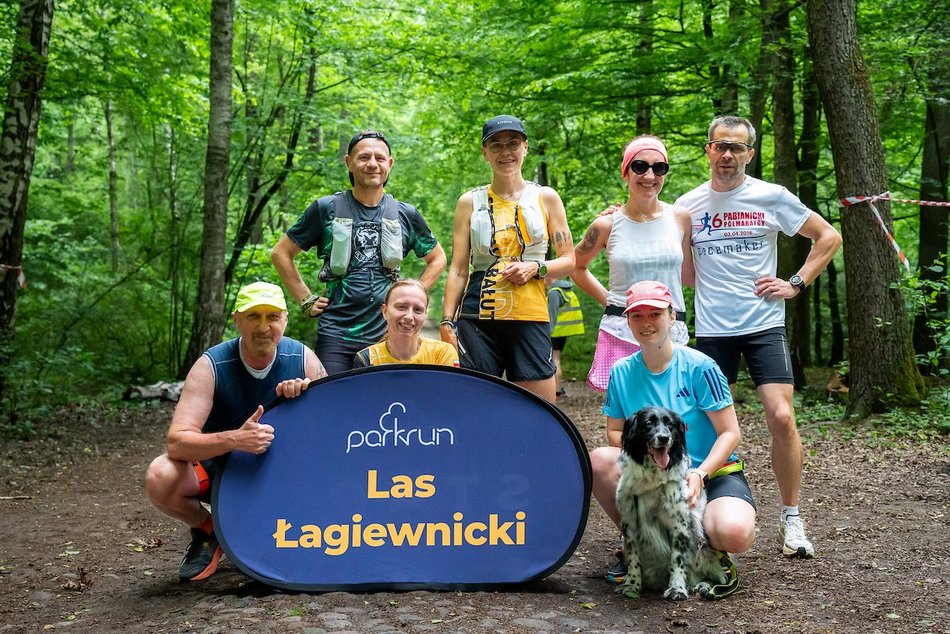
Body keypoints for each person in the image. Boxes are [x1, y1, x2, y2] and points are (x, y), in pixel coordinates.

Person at [674, 115, 842, 559]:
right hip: (712, 330)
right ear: (708, 150)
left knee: (781, 417)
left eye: (737, 147)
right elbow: (674, 259)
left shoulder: (772, 196)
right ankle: (701, 509)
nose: (727, 155)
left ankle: (792, 519)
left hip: (764, 324)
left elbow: (828, 236)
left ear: (750, 153)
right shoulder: (687, 204)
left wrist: (796, 283)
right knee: (701, 424)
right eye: (719, 146)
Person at [144, 281, 326, 582]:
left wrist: (307, 398)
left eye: (272, 317)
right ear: (236, 320)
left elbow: (333, 433)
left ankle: (288, 531)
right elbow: (177, 443)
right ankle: (209, 530)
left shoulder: (302, 359)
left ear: (285, 319)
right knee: (160, 476)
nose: (264, 327)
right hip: (221, 472)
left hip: (281, 477)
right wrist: (235, 440)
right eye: (253, 316)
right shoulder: (212, 365)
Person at [589, 281, 756, 592]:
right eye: (636, 316)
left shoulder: (701, 367)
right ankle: (639, 546)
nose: (646, 323)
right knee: (599, 460)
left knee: (734, 532)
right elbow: (615, 431)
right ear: (627, 321)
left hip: (711, 472)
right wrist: (649, 467)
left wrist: (698, 474)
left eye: (655, 313)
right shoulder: (621, 371)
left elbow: (731, 433)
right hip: (654, 471)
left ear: (672, 317)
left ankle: (712, 553)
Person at [271, 130, 447, 375]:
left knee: (382, 404)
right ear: (349, 163)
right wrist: (306, 299)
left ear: (390, 164)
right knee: (335, 401)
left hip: (387, 335)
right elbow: (281, 253)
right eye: (364, 157)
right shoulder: (326, 209)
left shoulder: (405, 214)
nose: (372, 164)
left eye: (380, 158)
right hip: (336, 333)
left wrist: (412, 295)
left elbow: (437, 258)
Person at [440, 115, 575, 404]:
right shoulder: (469, 202)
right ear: (485, 152)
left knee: (538, 409)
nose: (506, 152)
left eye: (513, 144)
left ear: (525, 147)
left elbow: (569, 261)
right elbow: (458, 268)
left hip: (530, 314)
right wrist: (446, 321)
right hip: (478, 316)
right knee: (476, 403)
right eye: (496, 145)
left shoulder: (546, 197)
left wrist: (536, 267)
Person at [573, 135, 693, 392]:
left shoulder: (681, 218)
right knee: (628, 417)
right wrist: (609, 299)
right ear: (626, 172)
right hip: (621, 330)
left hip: (671, 330)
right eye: (640, 166)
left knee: (672, 413)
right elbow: (575, 265)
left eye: (659, 168)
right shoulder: (606, 224)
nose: (649, 175)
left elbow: (688, 274)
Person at [354, 279, 459, 367]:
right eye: (401, 307)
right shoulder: (367, 359)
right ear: (385, 311)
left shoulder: (443, 354)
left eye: (417, 309)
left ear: (425, 314)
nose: (409, 316)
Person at [546, 276, 585, 399]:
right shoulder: (566, 290)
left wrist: (546, 332)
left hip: (554, 332)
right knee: (556, 358)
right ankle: (558, 390)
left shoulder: (554, 292)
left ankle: (556, 391)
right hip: (562, 332)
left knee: (554, 359)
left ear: (549, 278)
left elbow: (552, 315)